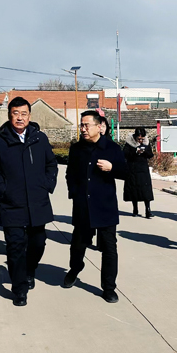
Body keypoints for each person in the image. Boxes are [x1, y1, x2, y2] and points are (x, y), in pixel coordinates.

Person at [0, 97, 58, 307]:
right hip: (12, 203)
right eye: (16, 113)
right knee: (15, 247)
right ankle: (19, 289)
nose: (20, 118)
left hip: (38, 201)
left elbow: (51, 164)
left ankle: (29, 270)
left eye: (24, 113)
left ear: (29, 116)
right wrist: (4, 189)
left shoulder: (39, 138)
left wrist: (47, 184)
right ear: (9, 115)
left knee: (38, 243)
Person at [63, 111, 128, 303]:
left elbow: (126, 172)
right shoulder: (77, 149)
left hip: (105, 206)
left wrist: (112, 168)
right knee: (78, 245)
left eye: (87, 125)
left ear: (99, 127)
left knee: (109, 248)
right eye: (81, 125)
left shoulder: (112, 148)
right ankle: (75, 269)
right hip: (83, 205)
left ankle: (109, 287)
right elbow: (70, 174)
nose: (83, 129)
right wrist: (74, 193)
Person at [123, 127, 155, 218]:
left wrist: (144, 151)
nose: (140, 140)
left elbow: (150, 154)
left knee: (146, 190)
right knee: (133, 189)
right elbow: (125, 154)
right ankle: (135, 209)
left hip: (143, 169)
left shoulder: (146, 142)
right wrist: (135, 151)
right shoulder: (129, 143)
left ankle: (148, 210)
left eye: (142, 138)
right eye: (139, 138)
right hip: (132, 169)